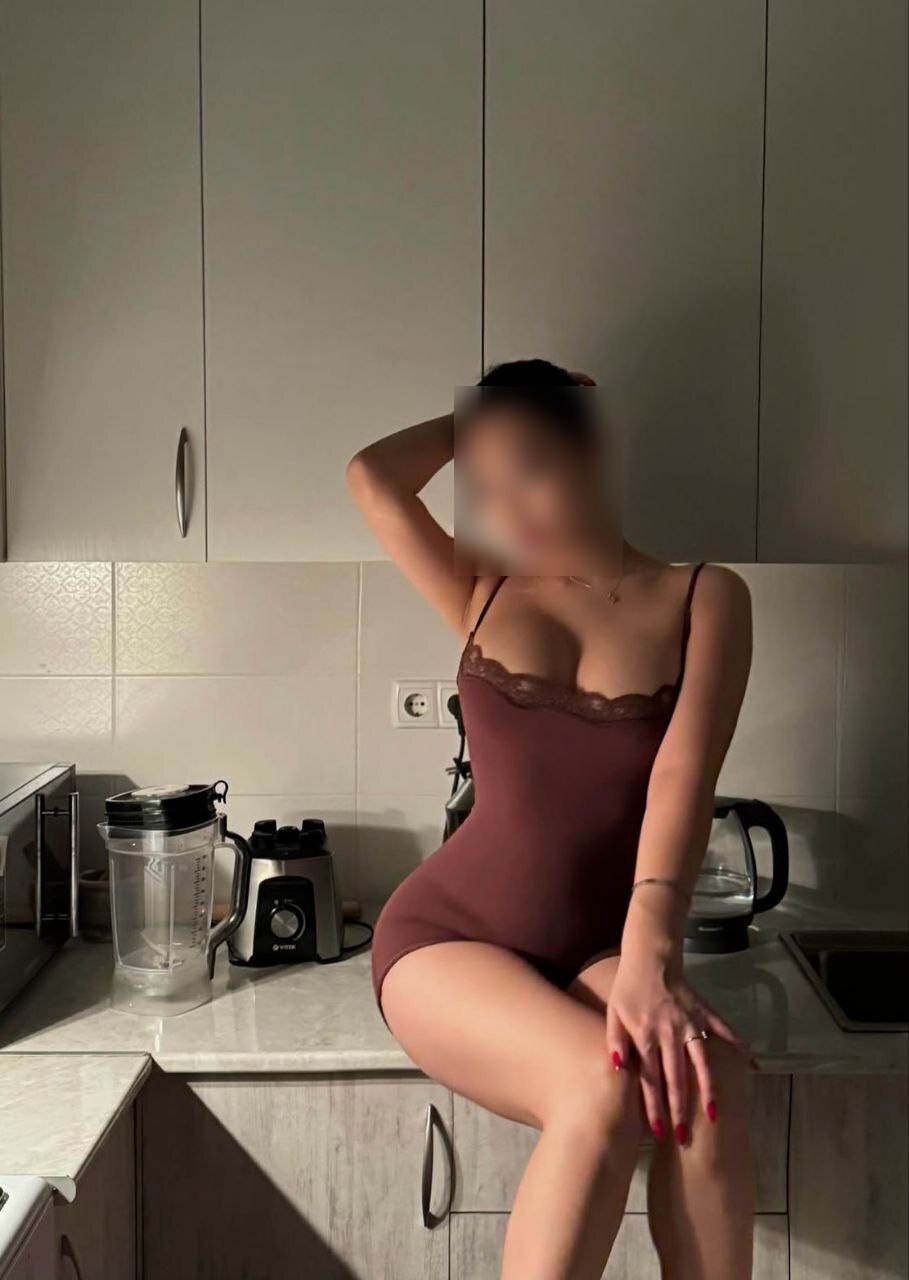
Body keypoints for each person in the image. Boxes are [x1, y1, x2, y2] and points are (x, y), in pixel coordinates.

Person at [347, 359, 754, 1280]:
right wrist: (487, 419)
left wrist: (650, 960)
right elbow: (371, 475)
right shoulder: (483, 588)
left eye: (530, 468)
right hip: (448, 936)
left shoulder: (704, 595)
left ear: (592, 446)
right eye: (485, 487)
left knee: (710, 1082)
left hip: (596, 947)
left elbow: (681, 780)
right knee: (598, 1087)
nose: (509, 508)